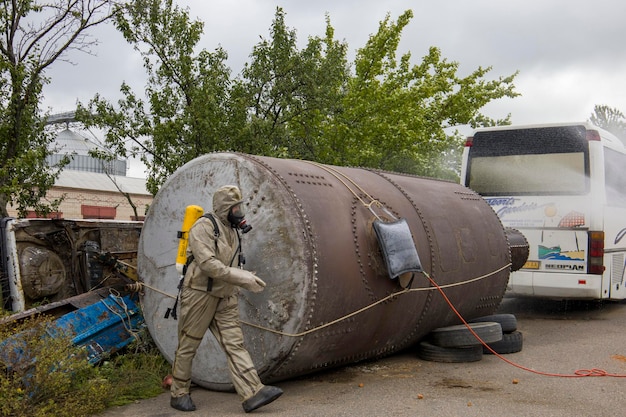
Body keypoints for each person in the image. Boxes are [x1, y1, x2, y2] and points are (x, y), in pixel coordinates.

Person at [169, 185, 283, 413]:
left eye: (240, 206)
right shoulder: (203, 227)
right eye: (236, 207)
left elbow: (230, 265)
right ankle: (179, 392)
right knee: (188, 344)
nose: (240, 211)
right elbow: (209, 264)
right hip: (200, 294)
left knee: (235, 344)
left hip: (225, 295)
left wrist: (244, 277)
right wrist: (241, 278)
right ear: (225, 208)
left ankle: (252, 392)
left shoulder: (232, 230)